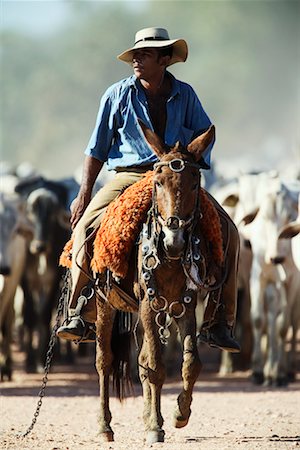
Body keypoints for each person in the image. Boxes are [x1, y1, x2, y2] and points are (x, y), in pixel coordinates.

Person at [56, 27, 240, 353]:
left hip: (174, 176)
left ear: (165, 59)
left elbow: (204, 134)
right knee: (85, 229)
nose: (136, 60)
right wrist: (84, 195)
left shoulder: (186, 94)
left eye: (145, 54)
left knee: (230, 232)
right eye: (135, 55)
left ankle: (219, 320)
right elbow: (96, 148)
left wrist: (188, 163)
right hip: (128, 175)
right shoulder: (116, 95)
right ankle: (79, 311)